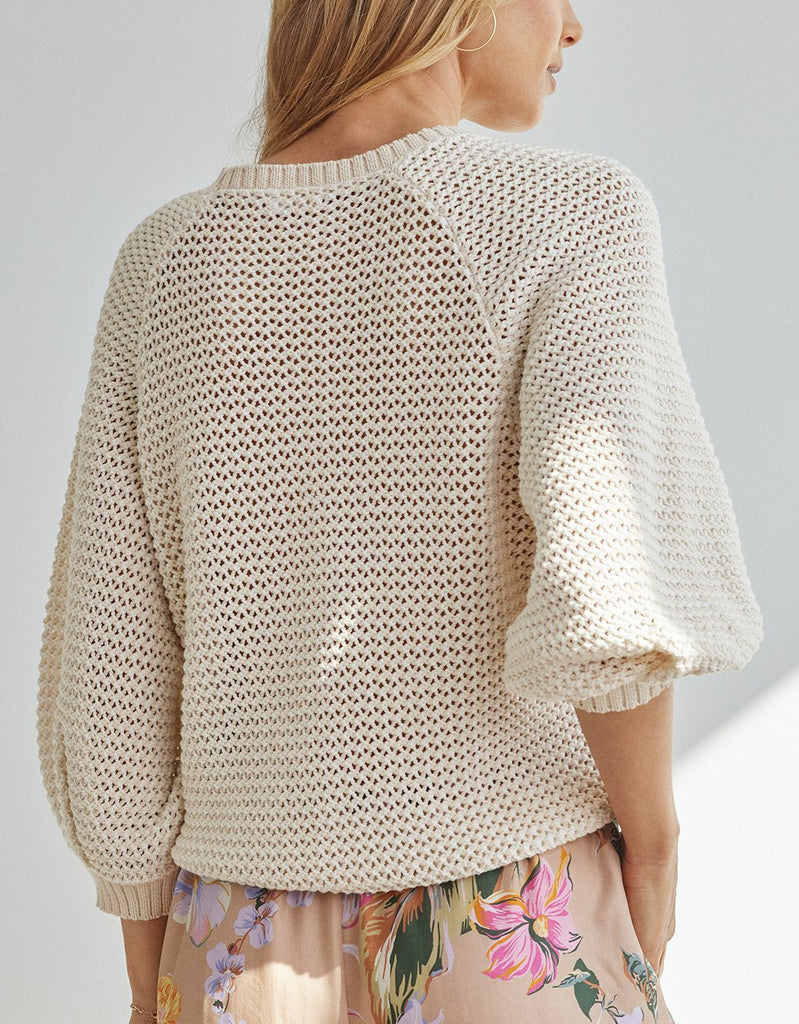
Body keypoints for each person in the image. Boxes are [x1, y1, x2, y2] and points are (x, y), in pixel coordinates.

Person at [35, 0, 764, 1021]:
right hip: (510, 916)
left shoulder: (161, 264)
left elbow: (114, 669)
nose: (573, 26)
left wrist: (151, 969)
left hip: (232, 941)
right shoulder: (572, 212)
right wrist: (655, 845)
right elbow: (608, 595)